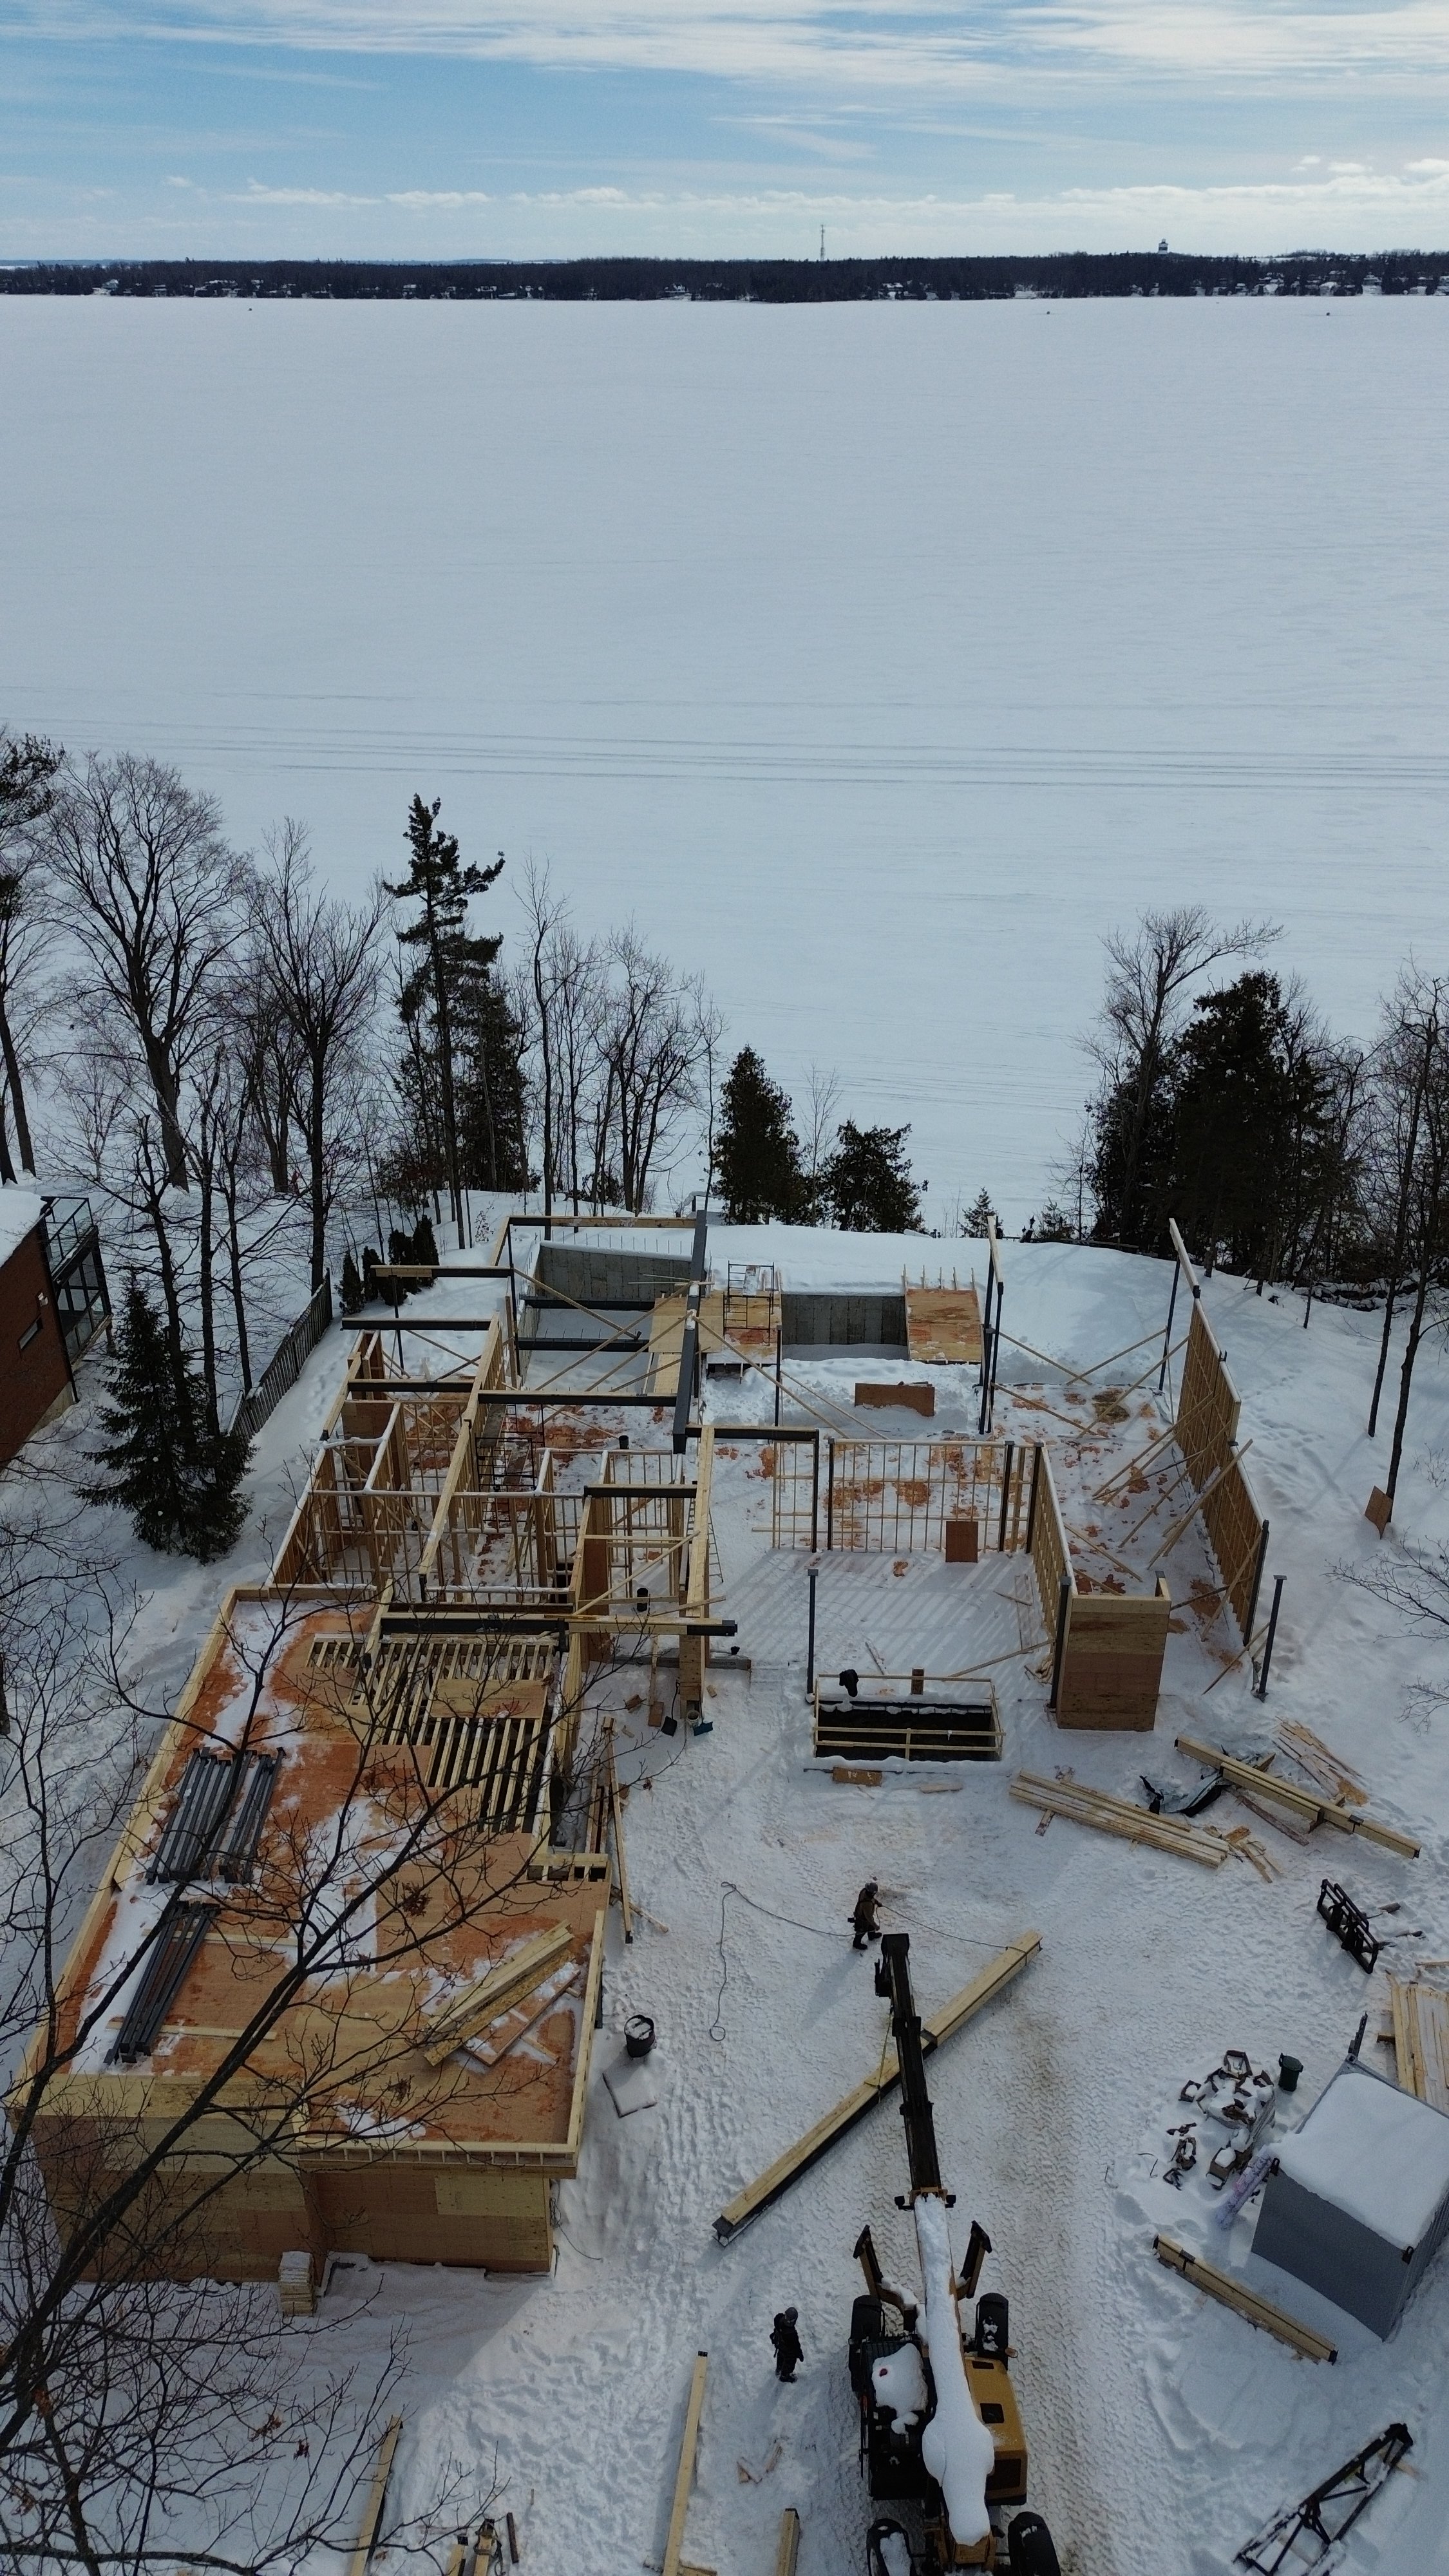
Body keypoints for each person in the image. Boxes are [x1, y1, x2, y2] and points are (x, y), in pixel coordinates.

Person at [771, 2307, 803, 2382]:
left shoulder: (778, 2318)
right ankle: (784, 2376)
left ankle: (778, 2370)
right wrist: (800, 2354)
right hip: (788, 2352)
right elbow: (796, 2347)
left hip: (780, 2345)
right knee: (789, 2363)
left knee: (780, 2357)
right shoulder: (792, 2334)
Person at [851, 1880, 881, 1949]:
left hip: (862, 1913)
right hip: (862, 1918)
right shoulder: (867, 1904)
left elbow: (871, 1899)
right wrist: (876, 1926)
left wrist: (877, 1903)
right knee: (862, 1930)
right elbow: (869, 1917)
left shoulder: (864, 1891)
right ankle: (856, 1944)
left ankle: (872, 1936)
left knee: (870, 1926)